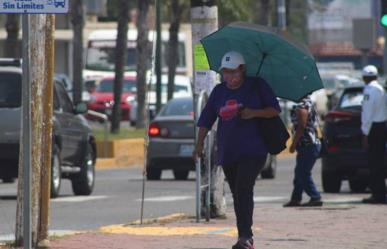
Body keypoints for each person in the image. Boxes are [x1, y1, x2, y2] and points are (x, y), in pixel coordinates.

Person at [193, 51, 281, 249]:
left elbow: (274, 109)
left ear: (242, 70)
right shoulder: (219, 91)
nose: (229, 77)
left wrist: (253, 113)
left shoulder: (257, 86)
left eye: (233, 73)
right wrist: (198, 145)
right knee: (237, 193)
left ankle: (246, 237)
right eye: (225, 73)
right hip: (228, 150)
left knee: (244, 188)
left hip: (254, 150)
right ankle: (243, 235)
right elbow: (206, 120)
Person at [283, 96, 323, 207]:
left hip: (308, 145)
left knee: (303, 173)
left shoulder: (302, 106)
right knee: (299, 173)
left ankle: (315, 197)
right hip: (307, 145)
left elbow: (301, 126)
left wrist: (293, 144)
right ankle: (296, 198)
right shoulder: (309, 103)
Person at [360, 65, 387, 204]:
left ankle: (377, 194)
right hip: (382, 127)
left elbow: (367, 114)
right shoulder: (381, 89)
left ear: (364, 78)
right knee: (379, 162)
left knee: (374, 163)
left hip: (374, 129)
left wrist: (365, 133)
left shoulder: (369, 90)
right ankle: (380, 192)